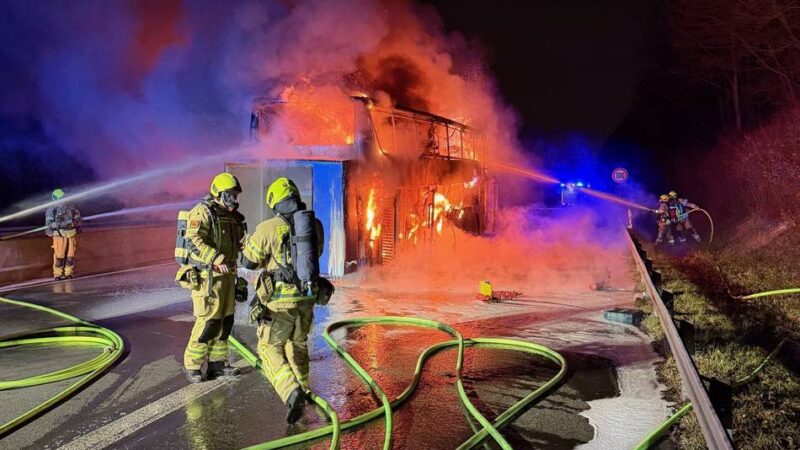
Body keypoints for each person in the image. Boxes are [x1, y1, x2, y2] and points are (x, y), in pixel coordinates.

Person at [241, 177, 325, 424]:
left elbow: (248, 262)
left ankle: (291, 391)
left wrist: (249, 242)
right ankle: (303, 388)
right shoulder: (314, 225)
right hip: (307, 297)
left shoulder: (268, 227)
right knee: (298, 344)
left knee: (269, 348)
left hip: (278, 302)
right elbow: (315, 255)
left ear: (274, 202)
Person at [177, 173, 247, 383]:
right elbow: (193, 240)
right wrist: (215, 258)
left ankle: (218, 364)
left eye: (235, 195)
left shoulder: (232, 216)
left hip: (227, 276)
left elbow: (239, 243)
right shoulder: (203, 212)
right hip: (208, 277)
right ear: (218, 193)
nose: (233, 199)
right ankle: (193, 365)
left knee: (225, 322)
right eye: (230, 195)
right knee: (208, 321)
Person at [45, 188, 82, 280]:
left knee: (71, 255)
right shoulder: (51, 209)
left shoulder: (71, 207)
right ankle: (57, 274)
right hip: (59, 234)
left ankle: (68, 273)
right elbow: (49, 224)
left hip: (71, 233)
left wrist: (73, 224)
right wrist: (58, 225)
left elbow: (78, 219)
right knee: (59, 255)